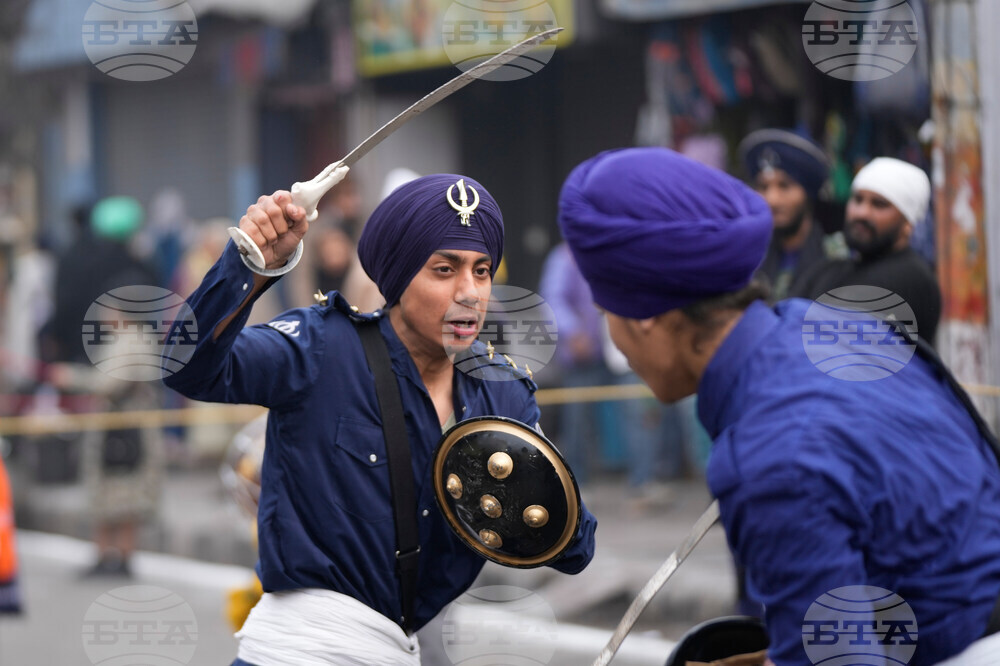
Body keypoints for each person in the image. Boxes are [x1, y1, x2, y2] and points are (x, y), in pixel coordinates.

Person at [557, 147, 1000, 665]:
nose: (616, 341)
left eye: (606, 310)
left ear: (646, 317)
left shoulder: (768, 453)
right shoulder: (831, 327)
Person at [163, 169, 597, 665]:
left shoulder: (503, 394)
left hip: (406, 647)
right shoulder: (321, 347)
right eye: (443, 269)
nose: (469, 292)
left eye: (481, 270)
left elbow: (575, 548)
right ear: (397, 275)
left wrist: (525, 501)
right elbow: (185, 370)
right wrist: (249, 264)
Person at [793, 157, 942, 344]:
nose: (861, 213)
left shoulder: (912, 276)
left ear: (908, 223)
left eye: (879, 204)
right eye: (857, 199)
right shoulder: (828, 269)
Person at [739, 129, 846, 303]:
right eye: (763, 187)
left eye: (784, 186)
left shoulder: (836, 257)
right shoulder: (749, 256)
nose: (772, 199)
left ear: (808, 193)